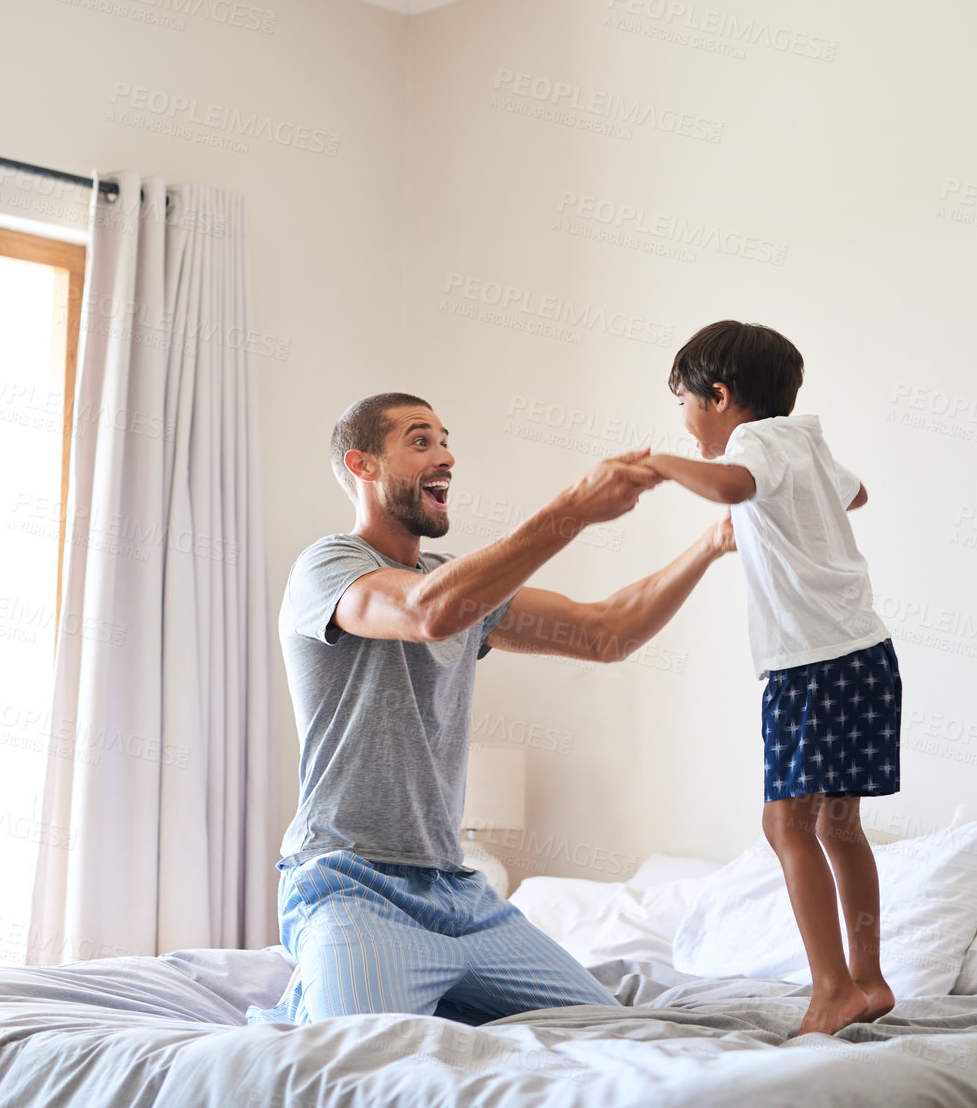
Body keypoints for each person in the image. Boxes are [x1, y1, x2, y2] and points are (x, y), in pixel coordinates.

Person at [247, 392, 734, 1027]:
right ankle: (305, 1008)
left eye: (446, 441)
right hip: (351, 882)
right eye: (420, 441)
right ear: (361, 465)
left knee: (621, 1032)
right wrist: (573, 510)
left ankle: (436, 993)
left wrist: (716, 540)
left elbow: (605, 632)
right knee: (357, 1054)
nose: (446, 455)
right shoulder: (329, 566)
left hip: (460, 895)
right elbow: (427, 612)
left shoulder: (461, 584)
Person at [642, 320, 900, 1036]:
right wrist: (769, 521)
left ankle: (830, 988)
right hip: (866, 652)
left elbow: (733, 479)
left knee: (783, 821)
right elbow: (856, 496)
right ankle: (869, 977)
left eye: (686, 406)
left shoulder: (751, 443)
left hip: (807, 661)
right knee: (841, 824)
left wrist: (661, 465)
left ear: (718, 396)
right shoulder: (803, 438)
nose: (687, 425)